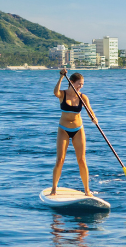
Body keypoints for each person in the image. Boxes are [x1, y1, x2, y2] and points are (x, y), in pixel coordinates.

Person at [50, 69, 98, 197]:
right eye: (78, 84)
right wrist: (61, 77)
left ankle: (87, 190)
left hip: (78, 130)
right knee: (60, 160)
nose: (80, 86)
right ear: (71, 82)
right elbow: (55, 92)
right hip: (63, 129)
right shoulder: (63, 94)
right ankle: (54, 189)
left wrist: (94, 118)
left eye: (82, 84)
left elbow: (89, 110)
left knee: (82, 160)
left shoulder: (83, 97)